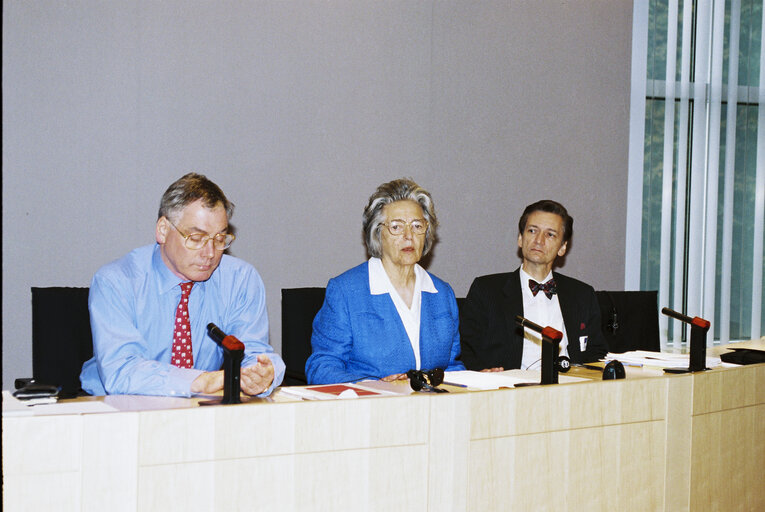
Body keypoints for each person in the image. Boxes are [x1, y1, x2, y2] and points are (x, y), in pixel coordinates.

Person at [80, 173, 285, 396]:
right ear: (163, 230)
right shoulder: (117, 281)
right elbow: (122, 370)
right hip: (115, 408)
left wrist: (260, 375)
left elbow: (252, 352)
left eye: (219, 240)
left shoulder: (240, 280)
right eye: (196, 238)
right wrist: (199, 381)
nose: (210, 253)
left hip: (200, 406)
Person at [305, 178, 465, 384]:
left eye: (417, 226)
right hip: (370, 409)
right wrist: (372, 386)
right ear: (377, 233)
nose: (409, 236)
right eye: (397, 227)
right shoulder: (346, 292)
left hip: (431, 410)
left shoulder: (442, 293)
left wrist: (474, 380)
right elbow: (322, 367)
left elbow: (450, 366)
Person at [459, 199, 608, 371]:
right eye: (532, 231)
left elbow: (596, 352)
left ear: (562, 247)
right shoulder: (486, 290)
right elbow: (465, 349)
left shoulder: (582, 294)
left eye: (550, 234)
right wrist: (482, 372)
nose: (539, 240)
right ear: (521, 239)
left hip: (569, 390)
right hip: (509, 391)